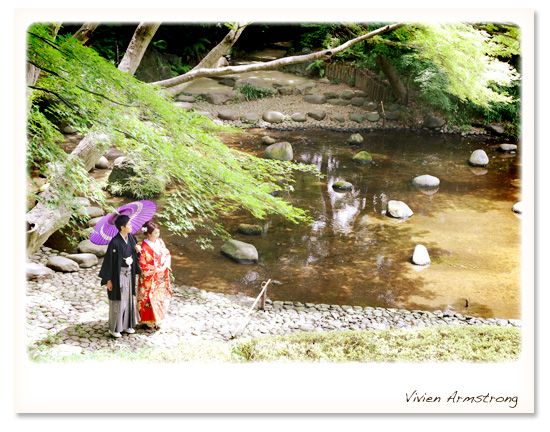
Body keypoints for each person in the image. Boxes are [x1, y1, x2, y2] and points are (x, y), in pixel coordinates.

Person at [98, 214, 142, 338]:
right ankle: (115, 328)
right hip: (118, 274)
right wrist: (109, 280)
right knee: (118, 301)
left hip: (129, 273)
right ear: (122, 227)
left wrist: (137, 251)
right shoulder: (115, 242)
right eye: (129, 224)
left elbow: (134, 256)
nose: (131, 226)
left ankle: (127, 325)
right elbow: (109, 262)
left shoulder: (132, 238)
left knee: (128, 300)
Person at [137, 220, 172, 329]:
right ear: (148, 234)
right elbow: (142, 263)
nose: (158, 235)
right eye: (156, 233)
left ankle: (159, 319)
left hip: (160, 276)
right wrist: (155, 269)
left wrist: (166, 265)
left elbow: (166, 254)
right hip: (149, 276)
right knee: (148, 298)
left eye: (158, 232)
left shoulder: (160, 242)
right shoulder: (143, 246)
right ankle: (149, 321)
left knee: (160, 298)